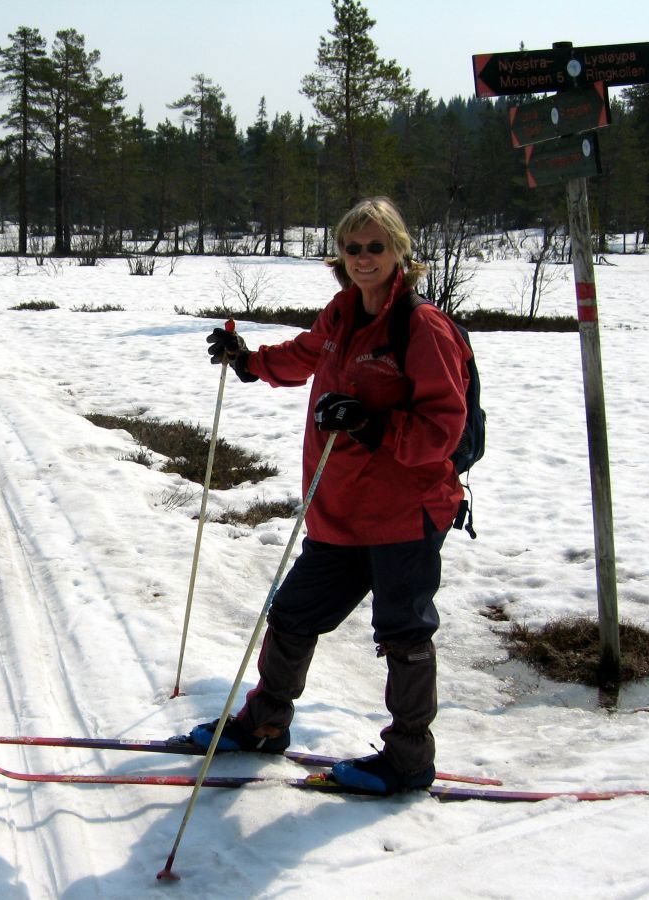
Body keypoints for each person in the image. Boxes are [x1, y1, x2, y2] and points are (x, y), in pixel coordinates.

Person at [183, 196, 472, 795]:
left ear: (400, 251)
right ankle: (264, 726)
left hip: (405, 514)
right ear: (339, 254)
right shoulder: (341, 314)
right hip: (340, 511)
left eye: (376, 247)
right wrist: (247, 361)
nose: (364, 258)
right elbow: (303, 357)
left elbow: (445, 430)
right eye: (353, 247)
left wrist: (370, 423)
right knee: (292, 615)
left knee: (404, 635)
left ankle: (408, 759)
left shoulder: (422, 328)